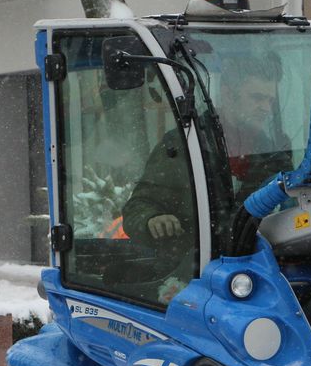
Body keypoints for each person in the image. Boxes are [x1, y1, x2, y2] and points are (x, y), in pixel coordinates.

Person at [120, 53, 293, 301]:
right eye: (257, 98)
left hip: (255, 275)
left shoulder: (274, 154)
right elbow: (137, 207)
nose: (265, 108)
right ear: (228, 93)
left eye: (269, 100)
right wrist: (153, 219)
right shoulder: (184, 146)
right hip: (190, 276)